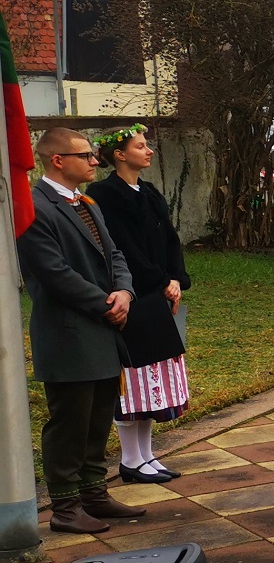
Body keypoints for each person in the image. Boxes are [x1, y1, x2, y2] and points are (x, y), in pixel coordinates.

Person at [14, 128, 148, 534]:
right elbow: (53, 273)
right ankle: (66, 507)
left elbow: (115, 254)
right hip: (69, 330)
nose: (95, 161)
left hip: (104, 327)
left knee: (97, 417)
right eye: (86, 155)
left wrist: (124, 292)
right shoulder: (34, 207)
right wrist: (106, 305)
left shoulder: (85, 202)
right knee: (70, 420)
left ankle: (94, 494)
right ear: (58, 160)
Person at [89, 124, 190, 484]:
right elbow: (123, 247)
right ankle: (130, 460)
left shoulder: (148, 192)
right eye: (141, 145)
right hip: (133, 292)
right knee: (133, 380)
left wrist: (176, 278)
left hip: (159, 293)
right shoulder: (104, 194)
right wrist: (159, 281)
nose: (148, 151)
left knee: (154, 378)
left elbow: (170, 239)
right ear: (119, 154)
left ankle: (147, 455)